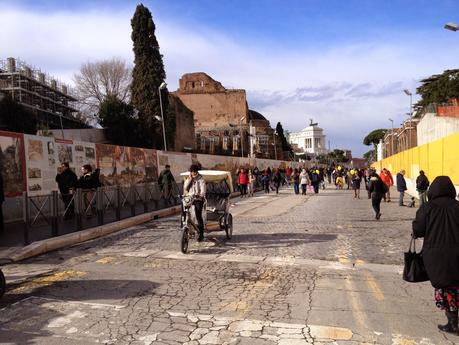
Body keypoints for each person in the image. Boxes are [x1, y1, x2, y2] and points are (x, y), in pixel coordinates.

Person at [412, 176, 459, 335]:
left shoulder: (427, 208)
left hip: (436, 256)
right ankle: (454, 322)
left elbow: (418, 230)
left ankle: (452, 322)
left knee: (446, 287)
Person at [184, 165, 206, 241]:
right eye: (191, 171)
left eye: (194, 171)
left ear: (197, 172)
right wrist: (190, 180)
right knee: (185, 212)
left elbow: (203, 189)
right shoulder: (188, 178)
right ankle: (186, 227)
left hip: (198, 199)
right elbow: (185, 189)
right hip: (190, 199)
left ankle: (201, 234)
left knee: (198, 216)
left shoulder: (201, 179)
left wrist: (200, 195)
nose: (193, 173)